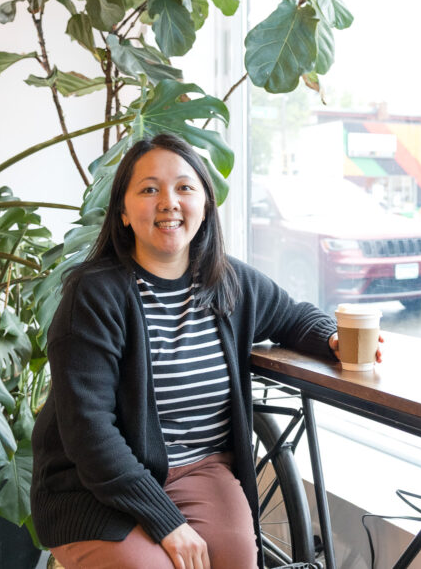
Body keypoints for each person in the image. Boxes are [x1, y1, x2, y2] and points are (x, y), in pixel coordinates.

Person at [31, 133, 382, 569]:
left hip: (199, 469)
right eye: (148, 189)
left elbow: (294, 317)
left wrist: (332, 339)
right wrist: (167, 524)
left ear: (204, 206)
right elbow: (89, 431)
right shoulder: (94, 294)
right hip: (94, 485)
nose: (168, 202)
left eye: (184, 187)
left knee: (235, 560)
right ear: (123, 212)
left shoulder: (228, 282)